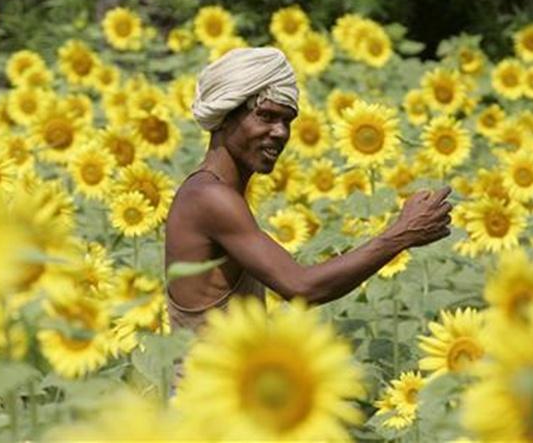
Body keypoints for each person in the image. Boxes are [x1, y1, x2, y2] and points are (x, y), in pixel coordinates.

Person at [164, 47, 452, 333]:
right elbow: (302, 287)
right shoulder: (210, 197)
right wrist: (401, 234)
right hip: (204, 380)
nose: (281, 132)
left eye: (287, 120)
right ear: (226, 116)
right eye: (266, 116)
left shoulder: (213, 190)